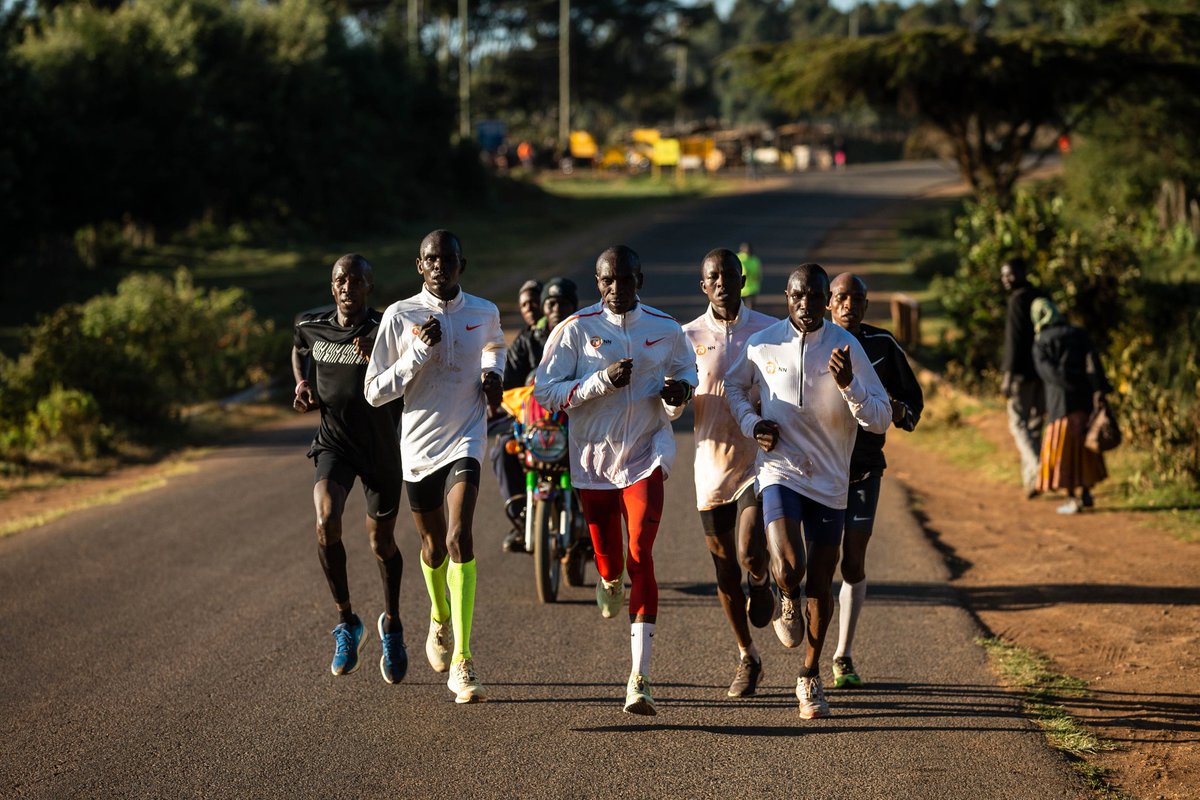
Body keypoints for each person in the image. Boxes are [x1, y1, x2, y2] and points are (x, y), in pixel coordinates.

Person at [534, 245, 697, 716]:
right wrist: (601, 381)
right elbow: (546, 393)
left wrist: (678, 394)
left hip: (646, 453)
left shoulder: (666, 328)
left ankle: (639, 678)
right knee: (610, 561)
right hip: (593, 461)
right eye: (608, 280)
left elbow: (687, 372)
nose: (616, 288)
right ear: (598, 283)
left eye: (625, 280)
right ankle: (608, 580)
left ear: (638, 281)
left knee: (641, 552)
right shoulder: (574, 329)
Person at [726, 263, 891, 719]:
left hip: (831, 478)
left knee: (820, 580)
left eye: (815, 296)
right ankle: (786, 595)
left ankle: (809, 674)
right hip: (780, 469)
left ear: (826, 301)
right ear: (787, 296)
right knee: (790, 565)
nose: (806, 305)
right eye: (798, 296)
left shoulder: (846, 346)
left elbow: (880, 419)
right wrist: (753, 423)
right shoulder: (763, 343)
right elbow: (734, 387)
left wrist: (850, 385)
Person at [364, 230, 506, 704]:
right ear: (419, 266)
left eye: (448, 258)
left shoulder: (484, 311)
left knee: (459, 536)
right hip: (419, 445)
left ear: (462, 264)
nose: (440, 265)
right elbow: (374, 391)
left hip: (466, 435)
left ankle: (463, 660)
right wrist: (418, 353)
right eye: (431, 259)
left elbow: (495, 346)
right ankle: (440, 615)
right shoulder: (399, 315)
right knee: (432, 546)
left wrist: (493, 374)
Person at [292, 254, 407, 683]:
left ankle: (392, 625)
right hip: (335, 444)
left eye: (356, 281)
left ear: (368, 288)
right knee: (325, 520)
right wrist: (302, 382)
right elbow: (299, 347)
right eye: (341, 280)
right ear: (332, 286)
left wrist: (382, 357)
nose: (347, 287)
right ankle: (347, 621)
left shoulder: (386, 329)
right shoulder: (311, 324)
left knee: (381, 542)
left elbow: (413, 368)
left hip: (381, 450)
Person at [680, 249, 776, 698]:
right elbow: (674, 403)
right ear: (703, 285)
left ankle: (761, 578)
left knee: (749, 551)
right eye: (712, 277)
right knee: (723, 569)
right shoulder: (686, 336)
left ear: (742, 280)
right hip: (710, 463)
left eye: (728, 275)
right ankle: (747, 656)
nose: (721, 282)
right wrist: (672, 399)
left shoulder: (769, 331)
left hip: (759, 459)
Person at [826, 272, 924, 688]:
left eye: (857, 299)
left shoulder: (883, 345)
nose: (849, 305)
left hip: (865, 468)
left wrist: (900, 411)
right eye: (841, 297)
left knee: (852, 561)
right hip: (819, 470)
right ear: (828, 303)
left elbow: (913, 401)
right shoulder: (811, 343)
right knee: (811, 561)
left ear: (866, 306)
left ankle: (843, 655)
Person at [496, 277, 580, 552]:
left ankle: (592, 520)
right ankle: (520, 517)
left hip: (575, 419)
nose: (556, 309)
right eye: (551, 303)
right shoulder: (527, 339)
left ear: (573, 306)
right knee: (503, 447)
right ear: (544, 307)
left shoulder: (586, 334)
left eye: (563, 303)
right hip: (534, 421)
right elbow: (507, 384)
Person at [1031, 298, 1111, 514]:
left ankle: (1072, 498)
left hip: (1061, 405)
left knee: (1063, 454)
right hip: (1084, 402)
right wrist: (1099, 390)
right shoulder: (1078, 334)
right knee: (1084, 451)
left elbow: (1048, 373)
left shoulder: (1041, 342)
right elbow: (1094, 364)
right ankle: (1086, 493)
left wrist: (1067, 384)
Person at [1000, 258, 1046, 498]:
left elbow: (1015, 341)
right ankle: (1031, 482)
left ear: (1022, 272)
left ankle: (1038, 468)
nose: (1005, 279)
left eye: (1010, 274)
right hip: (1043, 372)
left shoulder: (1017, 300)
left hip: (1021, 374)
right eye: (1003, 275)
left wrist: (1007, 375)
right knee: (1035, 425)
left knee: (1018, 423)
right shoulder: (1040, 295)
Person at [737, 242, 762, 309]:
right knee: (748, 310)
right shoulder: (754, 260)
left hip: (747, 289)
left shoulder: (737, 258)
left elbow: (758, 274)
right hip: (747, 289)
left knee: (742, 309)